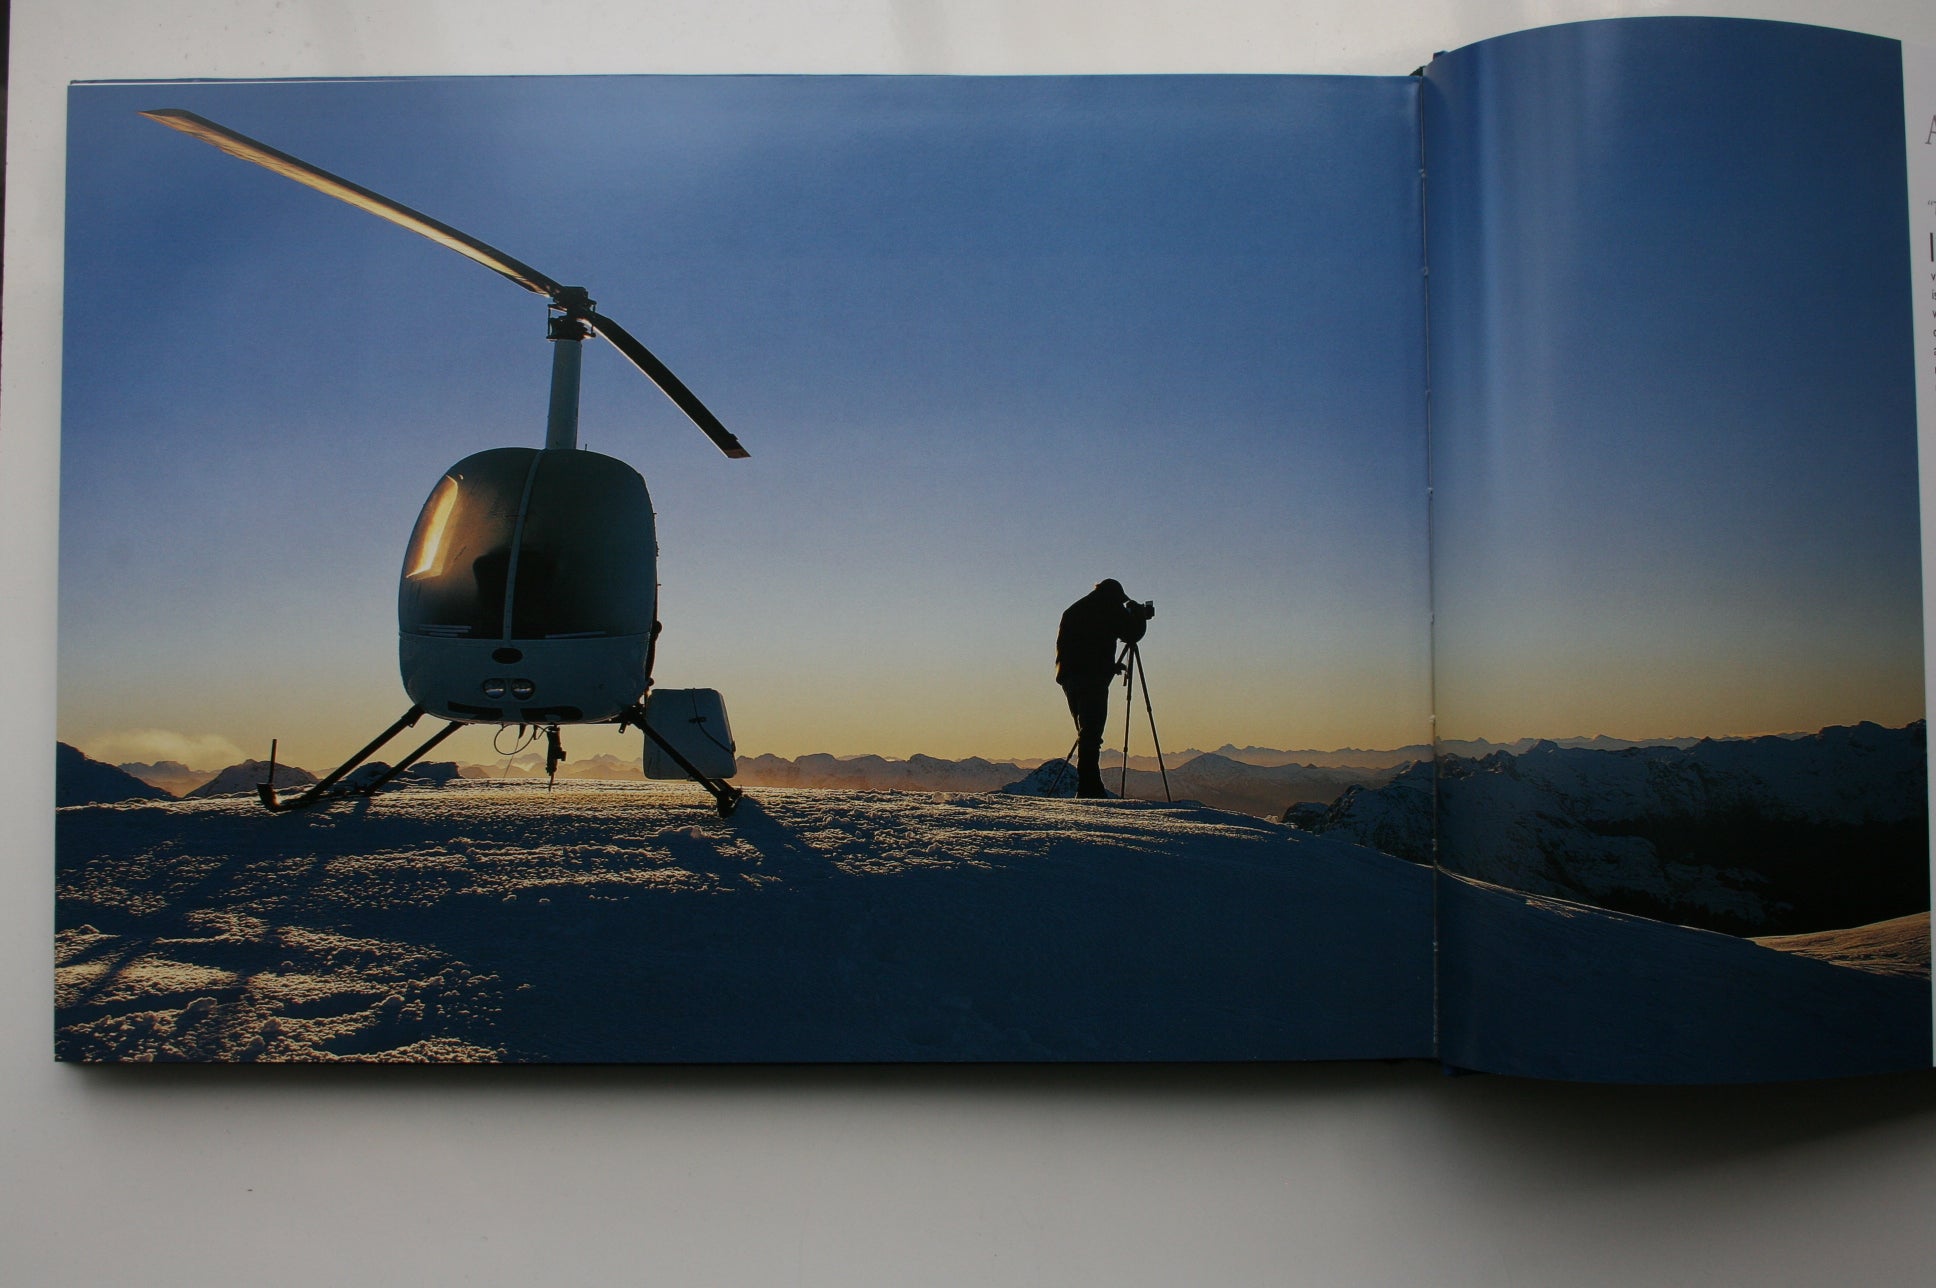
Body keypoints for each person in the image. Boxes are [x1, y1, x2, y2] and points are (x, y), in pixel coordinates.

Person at [1055, 579, 1152, 798]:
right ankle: (1089, 789)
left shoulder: (1074, 610)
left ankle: (1089, 786)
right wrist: (1137, 614)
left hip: (1069, 678)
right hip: (1092, 678)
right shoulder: (1108, 607)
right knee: (1092, 732)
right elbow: (1131, 634)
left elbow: (1082, 645)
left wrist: (1107, 666)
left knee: (1086, 730)